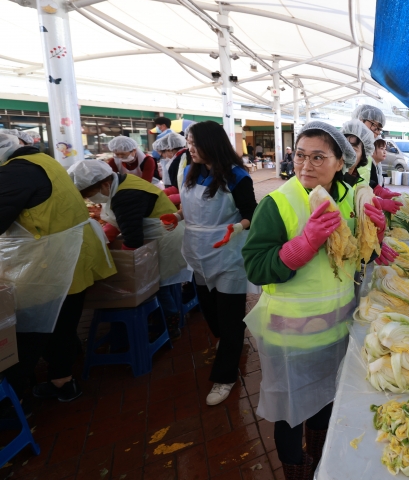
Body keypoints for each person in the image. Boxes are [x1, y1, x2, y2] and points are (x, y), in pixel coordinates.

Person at [242, 121, 395, 478]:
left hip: (335, 329)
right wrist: (302, 246)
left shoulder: (350, 197)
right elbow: (256, 268)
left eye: (317, 157)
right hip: (290, 333)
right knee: (290, 413)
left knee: (326, 401)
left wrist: (375, 236)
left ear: (341, 162)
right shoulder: (278, 203)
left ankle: (319, 461)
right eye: (299, 155)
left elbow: (356, 258)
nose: (305, 165)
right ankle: (296, 471)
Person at [0, 133, 116, 405]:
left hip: (52, 262)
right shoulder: (40, 159)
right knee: (63, 321)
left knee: (35, 328)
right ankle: (63, 378)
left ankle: (18, 401)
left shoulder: (14, 174)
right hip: (72, 253)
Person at [166, 121, 257, 406]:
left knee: (229, 316)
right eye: (188, 143)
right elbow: (190, 207)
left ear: (212, 144)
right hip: (198, 252)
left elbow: (251, 214)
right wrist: (177, 218)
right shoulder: (190, 173)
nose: (190, 149)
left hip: (228, 254)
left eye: (195, 144)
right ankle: (230, 339)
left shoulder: (237, 177)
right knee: (209, 310)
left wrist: (237, 229)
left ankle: (225, 377)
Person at [67, 159, 191, 340]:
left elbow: (132, 239)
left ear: (105, 184)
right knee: (158, 284)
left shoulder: (125, 195)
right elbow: (121, 223)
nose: (90, 200)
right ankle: (163, 321)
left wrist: (123, 268)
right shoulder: (121, 182)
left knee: (159, 285)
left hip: (164, 237)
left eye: (90, 195)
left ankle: (171, 325)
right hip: (156, 234)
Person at [152, 132, 189, 206]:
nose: (164, 158)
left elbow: (178, 187)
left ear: (169, 149)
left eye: (162, 154)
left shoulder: (176, 162)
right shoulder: (186, 154)